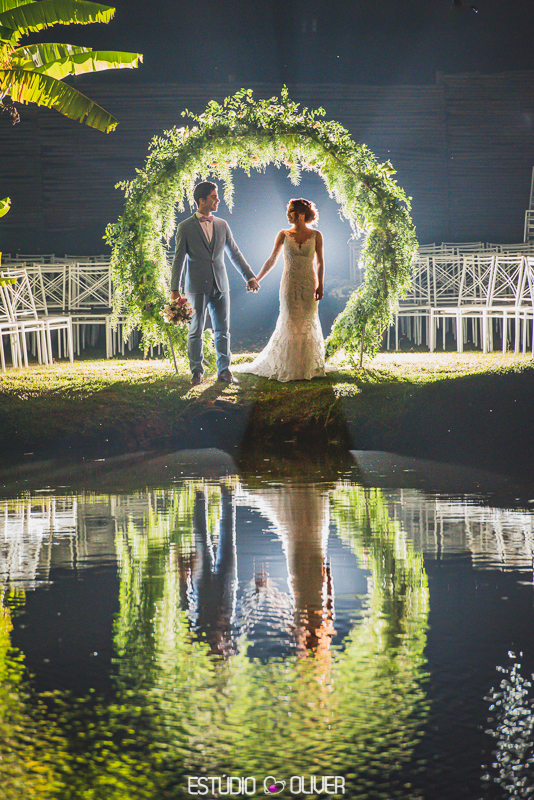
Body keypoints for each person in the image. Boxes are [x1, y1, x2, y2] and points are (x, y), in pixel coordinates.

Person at [171, 181, 260, 386]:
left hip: (221, 285)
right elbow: (179, 259)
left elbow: (234, 253)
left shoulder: (222, 224)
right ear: (202, 200)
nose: (217, 199)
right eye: (213, 196)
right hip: (196, 288)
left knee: (223, 330)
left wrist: (250, 276)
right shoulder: (184, 227)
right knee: (195, 331)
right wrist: (175, 290)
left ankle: (225, 371)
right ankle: (196, 372)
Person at [233, 198, 326, 382]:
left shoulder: (316, 235)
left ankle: (306, 366)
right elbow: (272, 259)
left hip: (309, 283)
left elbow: (320, 262)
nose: (288, 214)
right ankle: (289, 366)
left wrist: (320, 284)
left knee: (307, 320)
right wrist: (256, 278)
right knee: (290, 320)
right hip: (289, 284)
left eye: (291, 211)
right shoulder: (283, 234)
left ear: (300, 213)